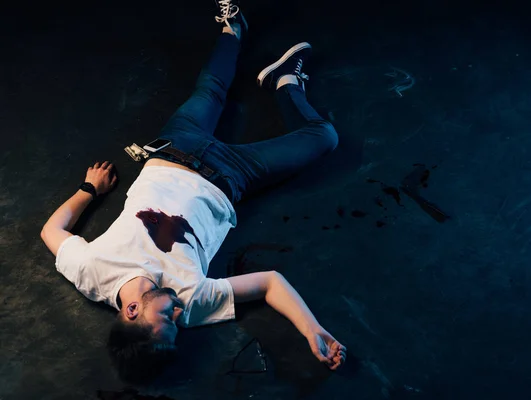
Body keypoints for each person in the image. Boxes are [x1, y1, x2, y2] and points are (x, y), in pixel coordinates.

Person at [40, 0, 346, 384]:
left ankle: (232, 28)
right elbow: (270, 282)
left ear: (132, 310)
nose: (177, 314)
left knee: (212, 88)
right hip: (231, 176)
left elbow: (52, 232)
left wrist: (89, 189)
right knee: (324, 137)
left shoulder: (90, 272)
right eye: (177, 323)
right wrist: (312, 329)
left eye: (165, 317)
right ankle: (285, 84)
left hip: (175, 150)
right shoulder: (193, 302)